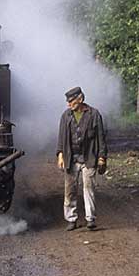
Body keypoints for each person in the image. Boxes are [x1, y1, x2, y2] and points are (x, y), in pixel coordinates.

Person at [56, 86, 108, 231]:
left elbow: (101, 138)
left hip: (89, 157)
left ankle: (90, 219)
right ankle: (71, 219)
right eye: (68, 101)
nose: (68, 104)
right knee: (70, 190)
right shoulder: (66, 116)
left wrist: (102, 158)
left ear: (80, 99)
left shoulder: (94, 114)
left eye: (71, 100)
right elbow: (61, 137)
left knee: (88, 188)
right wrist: (60, 154)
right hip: (71, 158)